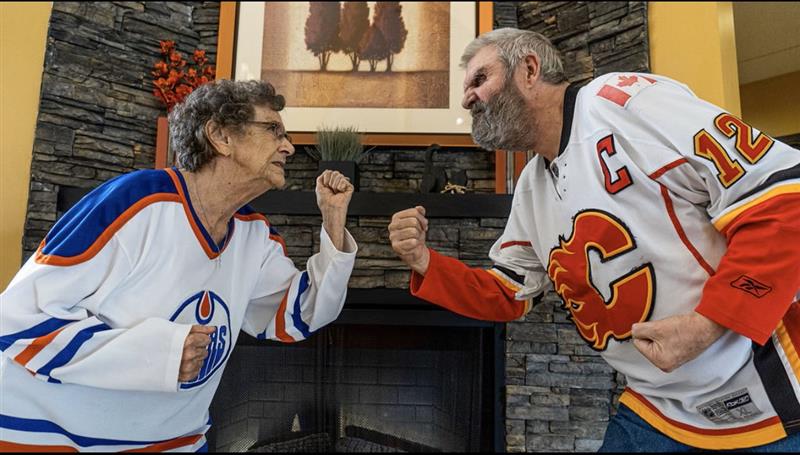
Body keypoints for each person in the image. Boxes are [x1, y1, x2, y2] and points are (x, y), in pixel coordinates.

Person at [388, 28, 800, 452]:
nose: (467, 100)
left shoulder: (627, 102)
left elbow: (786, 199)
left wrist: (709, 323)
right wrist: (425, 263)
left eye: (479, 80)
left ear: (529, 69)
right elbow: (509, 293)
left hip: (773, 401)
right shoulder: (531, 187)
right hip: (656, 408)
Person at [0, 80, 357, 451]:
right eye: (273, 130)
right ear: (221, 136)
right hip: (42, 439)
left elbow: (300, 315)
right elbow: (16, 319)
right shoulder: (135, 202)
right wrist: (160, 354)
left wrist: (333, 221)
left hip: (174, 442)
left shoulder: (255, 236)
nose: (289, 146)